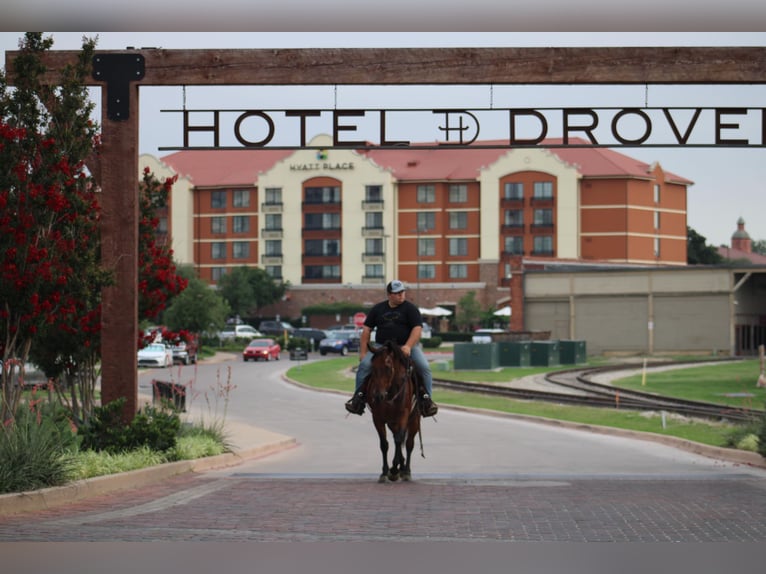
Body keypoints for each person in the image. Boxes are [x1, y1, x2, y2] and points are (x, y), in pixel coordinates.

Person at [345, 279, 438, 417]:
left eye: (402, 292)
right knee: (364, 366)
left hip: (405, 346)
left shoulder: (410, 309)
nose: (401, 295)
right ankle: (358, 399)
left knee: (424, 367)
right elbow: (366, 331)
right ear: (389, 295)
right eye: (397, 293)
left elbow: (417, 329)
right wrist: (363, 353)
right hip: (381, 346)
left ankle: (427, 401)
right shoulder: (378, 309)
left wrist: (408, 346)